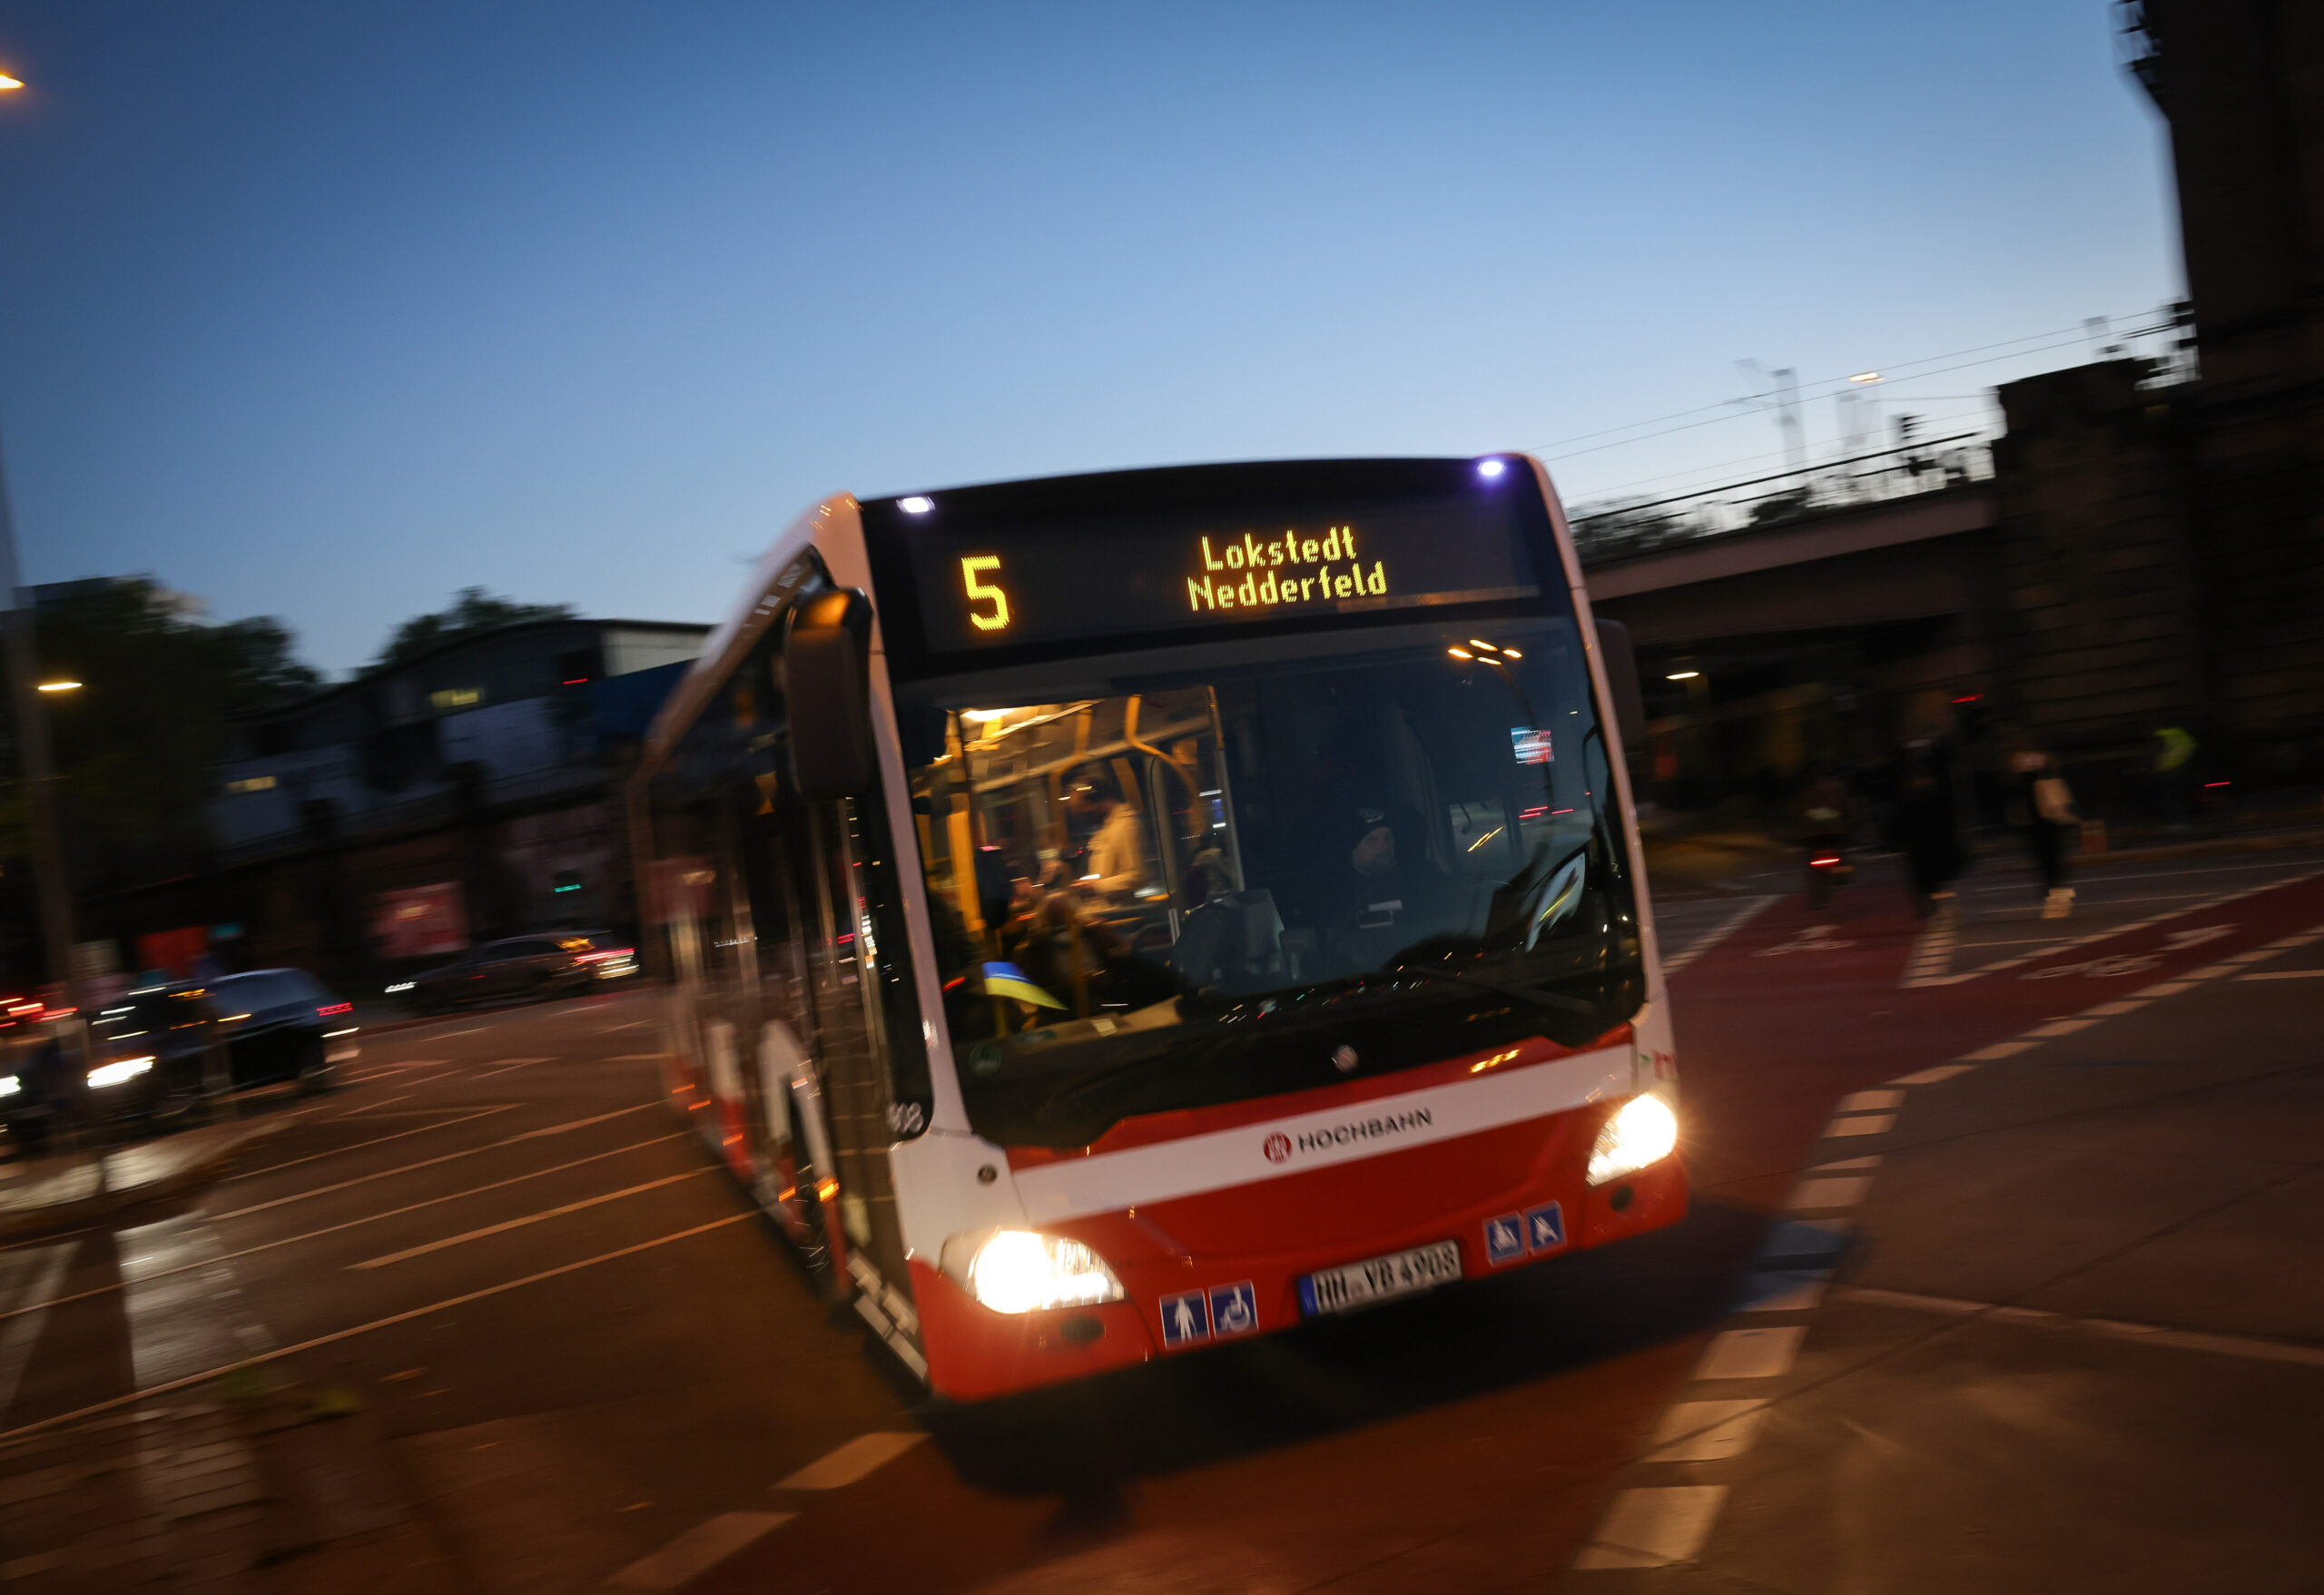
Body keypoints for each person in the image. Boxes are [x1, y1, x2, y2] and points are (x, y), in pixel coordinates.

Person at [2004, 734, 2077, 919]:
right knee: (2052, 851)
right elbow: (2057, 776)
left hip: (2034, 817)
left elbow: (2013, 791)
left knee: (2041, 853)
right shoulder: (2042, 760)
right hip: (2048, 814)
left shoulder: (2015, 764)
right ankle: (2055, 881)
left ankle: (2050, 883)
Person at [1893, 738, 1964, 917]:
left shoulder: (1921, 779)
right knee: (1923, 871)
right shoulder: (1911, 779)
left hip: (1927, 832)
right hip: (1922, 833)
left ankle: (1932, 901)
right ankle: (1931, 901)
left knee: (1927, 870)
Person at [1064, 768, 1149, 901]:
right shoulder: (1106, 828)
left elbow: (1136, 877)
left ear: (1097, 803)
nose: (1084, 816)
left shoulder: (1124, 825)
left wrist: (1095, 887)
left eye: (1084, 809)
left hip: (1119, 915)